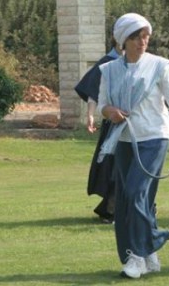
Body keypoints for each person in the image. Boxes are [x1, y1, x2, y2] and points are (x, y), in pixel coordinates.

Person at [97, 13, 169, 279]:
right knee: (135, 199)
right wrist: (110, 112)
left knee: (136, 193)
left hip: (154, 137)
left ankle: (137, 256)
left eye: (146, 36)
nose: (143, 41)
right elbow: (102, 104)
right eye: (137, 37)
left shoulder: (160, 66)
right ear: (123, 41)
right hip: (124, 139)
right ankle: (149, 251)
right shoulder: (109, 70)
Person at [74, 39, 122, 224]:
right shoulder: (107, 63)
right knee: (114, 168)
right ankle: (110, 209)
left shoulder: (140, 63)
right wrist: (91, 115)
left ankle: (144, 207)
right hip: (115, 125)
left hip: (138, 126)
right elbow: (94, 92)